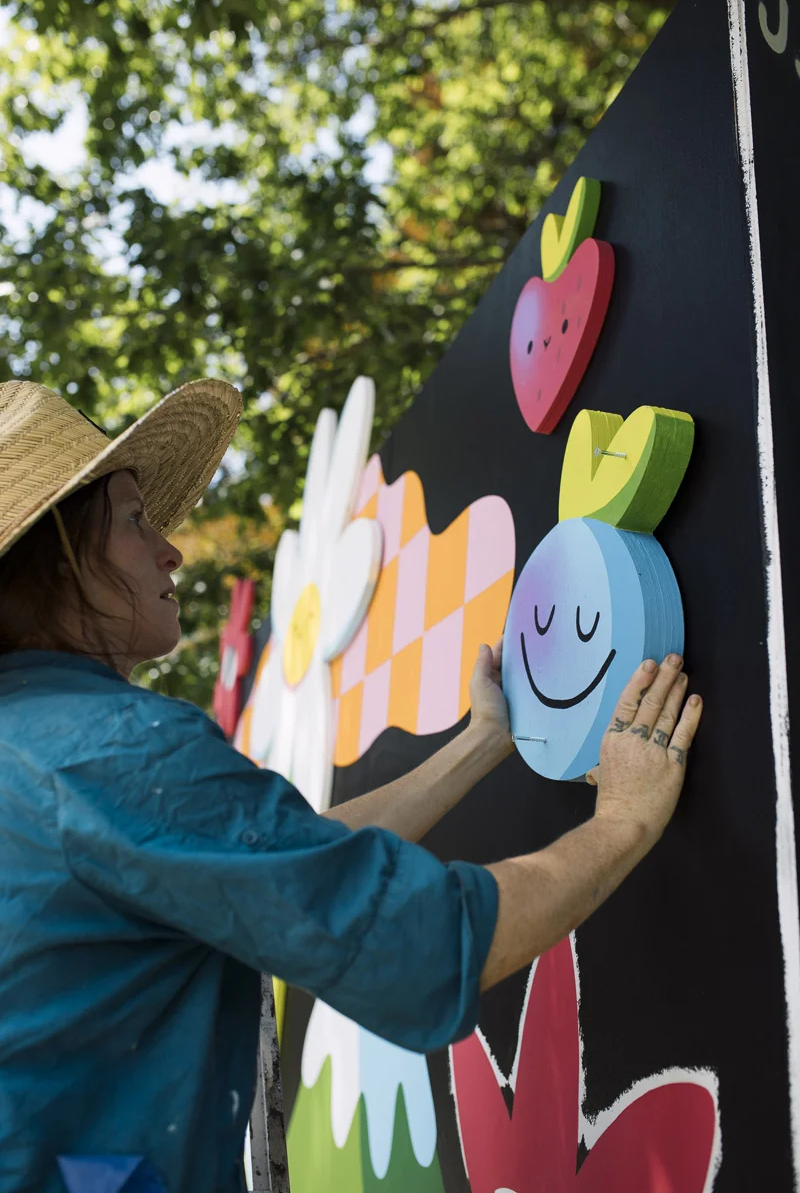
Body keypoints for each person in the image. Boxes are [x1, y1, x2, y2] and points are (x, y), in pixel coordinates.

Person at [0, 378, 703, 1193]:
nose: (170, 548)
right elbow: (434, 944)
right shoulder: (114, 751)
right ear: (56, 555)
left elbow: (283, 863)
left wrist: (481, 743)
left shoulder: (36, 747)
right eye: (133, 519)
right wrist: (623, 819)